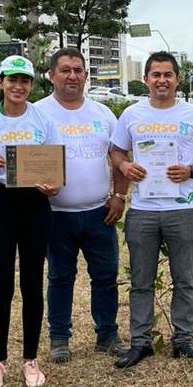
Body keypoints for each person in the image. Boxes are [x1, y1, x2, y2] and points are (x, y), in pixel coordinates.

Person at [110, 51, 193, 369]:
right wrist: (125, 165)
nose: (162, 80)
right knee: (141, 280)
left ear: (177, 79)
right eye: (155, 74)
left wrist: (192, 170)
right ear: (145, 79)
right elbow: (116, 150)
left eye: (167, 74)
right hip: (143, 209)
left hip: (181, 209)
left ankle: (183, 340)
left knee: (184, 278)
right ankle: (140, 343)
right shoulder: (132, 114)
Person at [35, 47, 129, 363]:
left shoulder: (102, 114)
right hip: (54, 215)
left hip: (99, 213)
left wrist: (119, 196)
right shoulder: (36, 113)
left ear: (86, 76)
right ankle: (59, 339)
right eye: (65, 70)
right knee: (60, 277)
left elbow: (119, 157)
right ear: (51, 75)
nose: (72, 75)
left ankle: (107, 335)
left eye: (78, 70)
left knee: (105, 276)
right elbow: (24, 161)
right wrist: (37, 188)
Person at [0, 56, 60, 387]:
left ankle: (30, 359)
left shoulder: (42, 117)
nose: (18, 86)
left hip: (35, 204)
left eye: (24, 81)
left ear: (31, 86)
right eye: (12, 80)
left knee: (32, 283)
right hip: (0, 204)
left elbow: (53, 166)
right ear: (1, 83)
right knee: (2, 284)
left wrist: (53, 184)